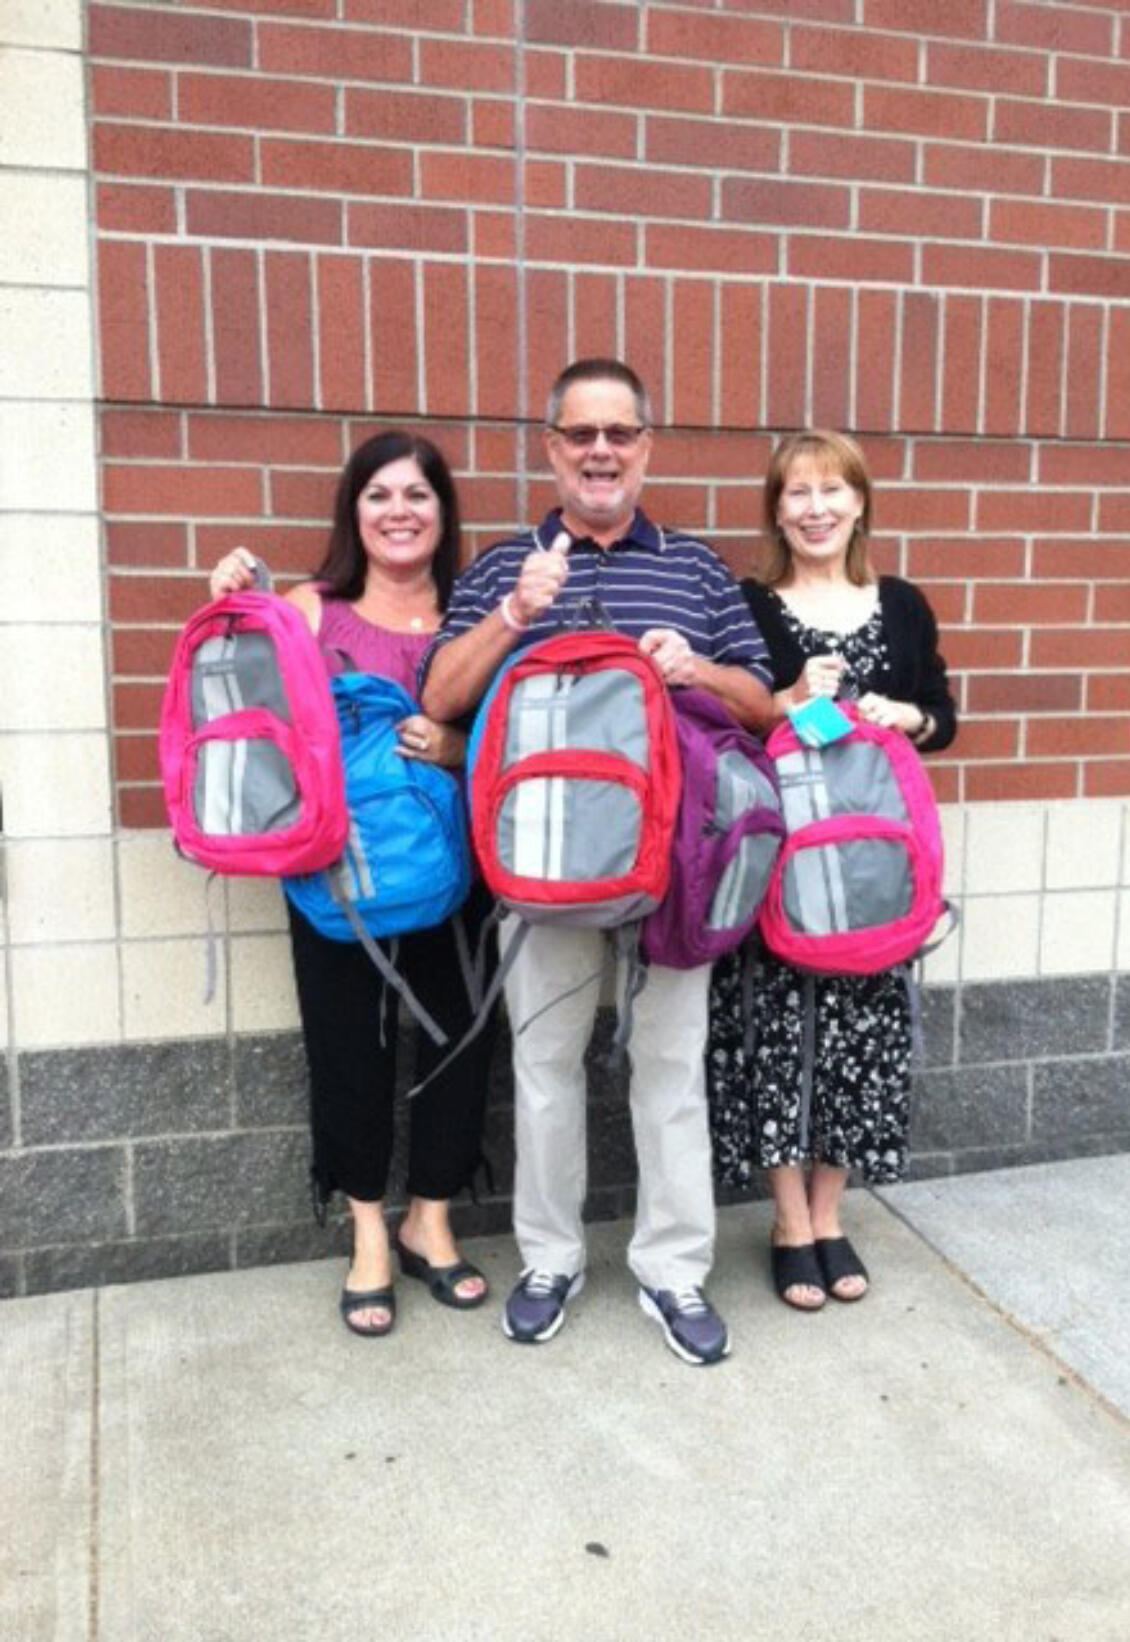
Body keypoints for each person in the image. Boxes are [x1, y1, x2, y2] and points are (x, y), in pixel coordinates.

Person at [420, 358, 773, 1365]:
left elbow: (762, 705)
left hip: (672, 873)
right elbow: (441, 698)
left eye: (619, 433)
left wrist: (691, 666)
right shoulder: (500, 566)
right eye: (580, 434)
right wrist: (515, 614)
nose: (600, 451)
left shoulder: (698, 570)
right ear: (550, 447)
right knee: (542, 1068)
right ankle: (549, 1259)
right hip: (539, 875)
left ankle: (671, 1270)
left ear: (646, 446)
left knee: (668, 1072)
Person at [208, 431, 497, 1337]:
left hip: (461, 870)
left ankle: (432, 1220)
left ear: (443, 512)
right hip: (335, 869)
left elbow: (518, 734)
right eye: (379, 495)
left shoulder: (474, 612)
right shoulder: (308, 609)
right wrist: (230, 601)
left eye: (417, 494)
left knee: (461, 1040)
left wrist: (459, 747)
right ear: (354, 511)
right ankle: (368, 1229)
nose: (399, 512)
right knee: (347, 1045)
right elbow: (252, 703)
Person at [706, 430, 956, 1311]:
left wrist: (908, 716)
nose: (815, 509)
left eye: (832, 491)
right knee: (777, 1037)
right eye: (797, 492)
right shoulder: (750, 605)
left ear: (860, 502)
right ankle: (784, 1222)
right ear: (776, 508)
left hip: (880, 859)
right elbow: (728, 723)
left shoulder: (902, 604)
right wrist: (787, 699)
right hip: (787, 859)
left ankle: (830, 1212)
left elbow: (944, 714)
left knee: (866, 1039)